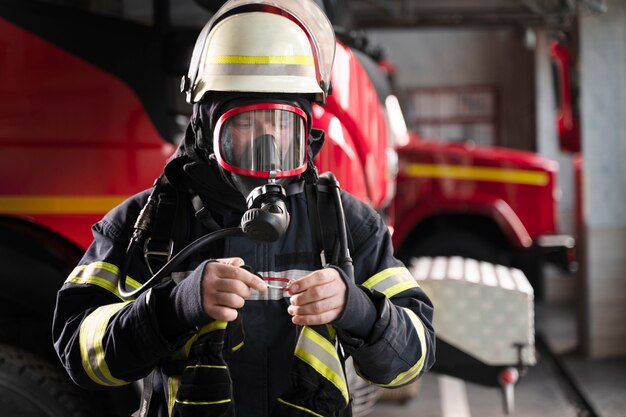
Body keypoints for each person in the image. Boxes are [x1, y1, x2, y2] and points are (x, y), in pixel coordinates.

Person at [52, 0, 435, 416]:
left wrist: (355, 308)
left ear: (307, 134)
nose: (267, 147)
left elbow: (413, 356)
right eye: (245, 124)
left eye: (283, 124)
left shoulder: (346, 224)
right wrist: (175, 306)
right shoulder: (146, 223)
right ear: (204, 129)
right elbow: (78, 352)